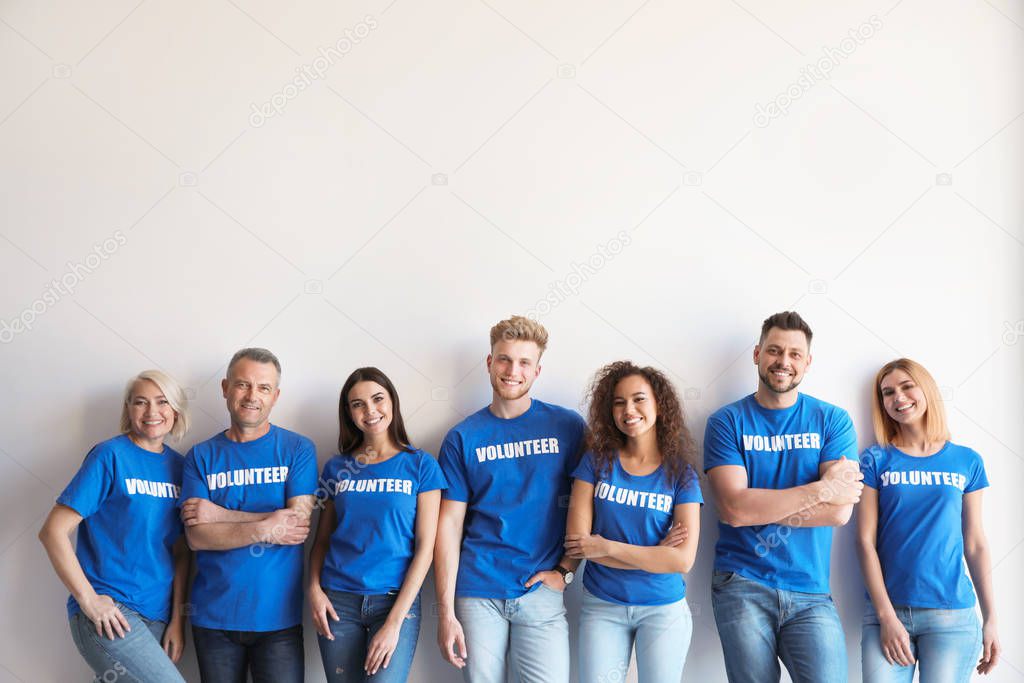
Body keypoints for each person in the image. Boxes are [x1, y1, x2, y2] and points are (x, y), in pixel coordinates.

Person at [704, 311, 863, 683]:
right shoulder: (727, 422)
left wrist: (759, 504)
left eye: (794, 354)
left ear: (807, 362)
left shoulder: (832, 420)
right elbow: (734, 509)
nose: (783, 361)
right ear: (758, 354)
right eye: (775, 350)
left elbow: (840, 513)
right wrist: (823, 489)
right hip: (741, 583)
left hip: (810, 588)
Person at [434, 315, 587, 683]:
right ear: (489, 363)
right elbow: (449, 525)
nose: (512, 370)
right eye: (504, 359)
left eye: (523, 363)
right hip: (478, 590)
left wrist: (566, 572)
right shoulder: (462, 437)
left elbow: (588, 505)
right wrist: (445, 611)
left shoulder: (567, 427)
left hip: (541, 591)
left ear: (537, 371)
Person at [39, 369, 191, 683]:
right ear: (128, 410)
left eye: (162, 402)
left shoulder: (180, 468)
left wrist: (177, 619)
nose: (152, 412)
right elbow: (52, 531)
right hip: (111, 611)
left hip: (157, 616)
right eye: (140, 402)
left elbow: (180, 551)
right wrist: (88, 600)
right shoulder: (110, 456)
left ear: (175, 410)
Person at [178, 347, 317, 683]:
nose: (252, 395)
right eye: (243, 385)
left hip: (278, 620)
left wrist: (218, 515)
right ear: (226, 388)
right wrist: (268, 524)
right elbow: (197, 537)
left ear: (276, 396)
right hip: (213, 620)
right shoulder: (200, 456)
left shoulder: (298, 449)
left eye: (264, 388)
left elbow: (296, 524)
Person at [857, 358, 1000, 681]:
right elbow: (864, 542)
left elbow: (975, 542)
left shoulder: (967, 461)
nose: (899, 397)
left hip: (952, 616)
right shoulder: (874, 459)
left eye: (907, 387)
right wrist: (886, 616)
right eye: (888, 392)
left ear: (927, 391)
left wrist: (990, 617)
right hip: (887, 614)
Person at [566, 361, 702, 683]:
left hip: (663, 609)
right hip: (603, 606)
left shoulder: (681, 475)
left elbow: (682, 560)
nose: (629, 409)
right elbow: (578, 542)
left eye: (639, 399)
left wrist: (606, 547)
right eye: (619, 402)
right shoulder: (595, 462)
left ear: (658, 404)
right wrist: (655, 555)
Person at [309, 367, 446, 682]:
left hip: (394, 601)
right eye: (358, 404)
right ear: (349, 413)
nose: (370, 410)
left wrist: (395, 622)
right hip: (337, 602)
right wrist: (313, 589)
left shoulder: (420, 465)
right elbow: (322, 541)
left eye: (377, 399)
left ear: (392, 402)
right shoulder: (337, 468)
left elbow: (426, 548)